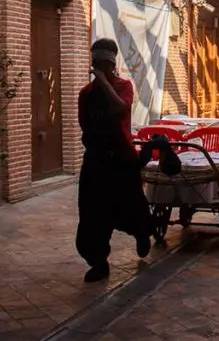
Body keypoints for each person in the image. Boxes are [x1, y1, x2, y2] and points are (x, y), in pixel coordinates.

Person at [76, 38, 152, 283]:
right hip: (97, 162)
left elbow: (121, 109)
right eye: (95, 64)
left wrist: (106, 85)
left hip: (122, 161)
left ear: (111, 65)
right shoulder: (86, 94)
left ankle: (142, 234)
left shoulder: (123, 86)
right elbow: (84, 125)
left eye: (104, 65)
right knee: (92, 213)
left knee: (132, 207)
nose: (99, 69)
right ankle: (98, 261)